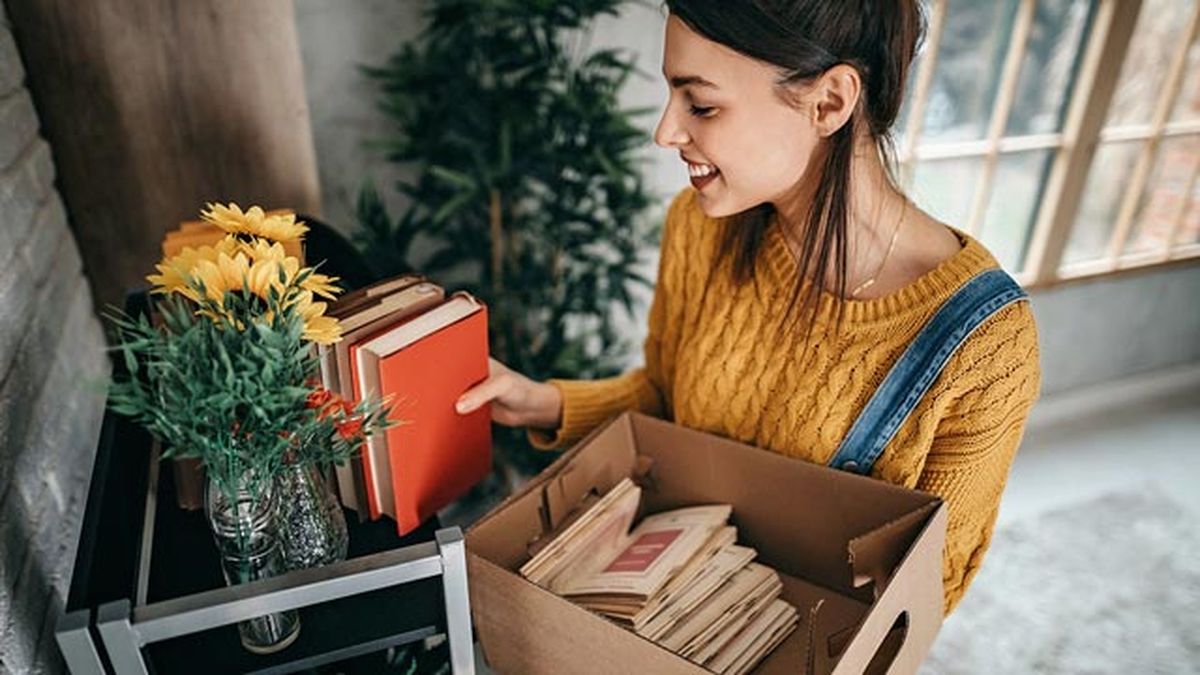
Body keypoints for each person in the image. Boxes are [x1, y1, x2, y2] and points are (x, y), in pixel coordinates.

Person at [455, 0, 1040, 616]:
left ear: (830, 103)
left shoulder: (986, 347)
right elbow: (667, 400)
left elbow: (925, 593)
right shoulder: (701, 227)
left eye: (700, 104)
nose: (666, 131)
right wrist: (544, 401)